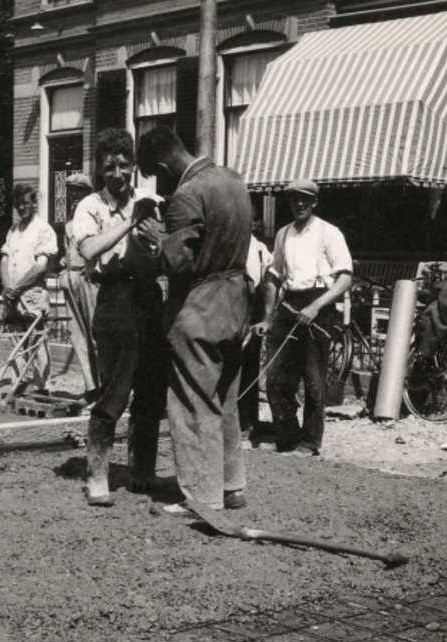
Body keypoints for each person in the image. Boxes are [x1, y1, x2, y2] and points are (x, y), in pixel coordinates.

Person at [133, 126, 252, 516]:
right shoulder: (233, 179)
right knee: (226, 399)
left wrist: (159, 238)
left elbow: (180, 265)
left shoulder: (187, 194)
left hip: (201, 306)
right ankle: (232, 486)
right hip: (237, 301)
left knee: (193, 401)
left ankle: (202, 497)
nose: (159, 183)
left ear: (163, 165)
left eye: (155, 174)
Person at [74, 128, 168, 506]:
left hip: (148, 298)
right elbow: (88, 251)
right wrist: (130, 223)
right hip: (114, 299)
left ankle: (142, 472)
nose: (118, 174)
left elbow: (163, 251)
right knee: (114, 390)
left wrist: (156, 236)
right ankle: (97, 475)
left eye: (124, 166)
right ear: (99, 169)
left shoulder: (149, 200)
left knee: (150, 390)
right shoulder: (90, 207)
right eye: (110, 167)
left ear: (133, 166)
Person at [252, 178, 352, 456]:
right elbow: (274, 277)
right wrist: (267, 317)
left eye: (304, 198)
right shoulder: (284, 234)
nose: (299, 203)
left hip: (319, 304)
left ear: (314, 202)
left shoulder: (329, 232)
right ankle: (286, 435)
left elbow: (345, 279)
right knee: (277, 377)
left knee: (313, 379)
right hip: (290, 304)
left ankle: (310, 442)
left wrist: (316, 306)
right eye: (294, 198)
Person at [0, 184, 58, 394]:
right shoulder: (14, 230)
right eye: (18, 204)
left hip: (32, 293)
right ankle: (18, 385)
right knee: (15, 339)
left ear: (34, 203)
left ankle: (42, 387)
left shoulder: (43, 229)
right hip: (12, 294)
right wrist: (7, 286)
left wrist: (18, 286)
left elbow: (41, 266)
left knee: (36, 340)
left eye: (25, 203)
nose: (21, 208)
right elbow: (4, 260)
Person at [59, 173, 99, 406]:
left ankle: (106, 388)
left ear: (87, 193)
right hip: (72, 277)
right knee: (78, 335)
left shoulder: (94, 215)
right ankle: (91, 387)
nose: (74, 195)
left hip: (89, 278)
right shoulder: (69, 222)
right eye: (71, 191)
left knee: (95, 334)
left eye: (79, 191)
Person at [238, 211, 274, 441]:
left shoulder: (260, 249)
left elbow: (268, 284)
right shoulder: (228, 242)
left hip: (253, 310)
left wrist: (266, 317)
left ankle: (248, 421)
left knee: (249, 367)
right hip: (231, 308)